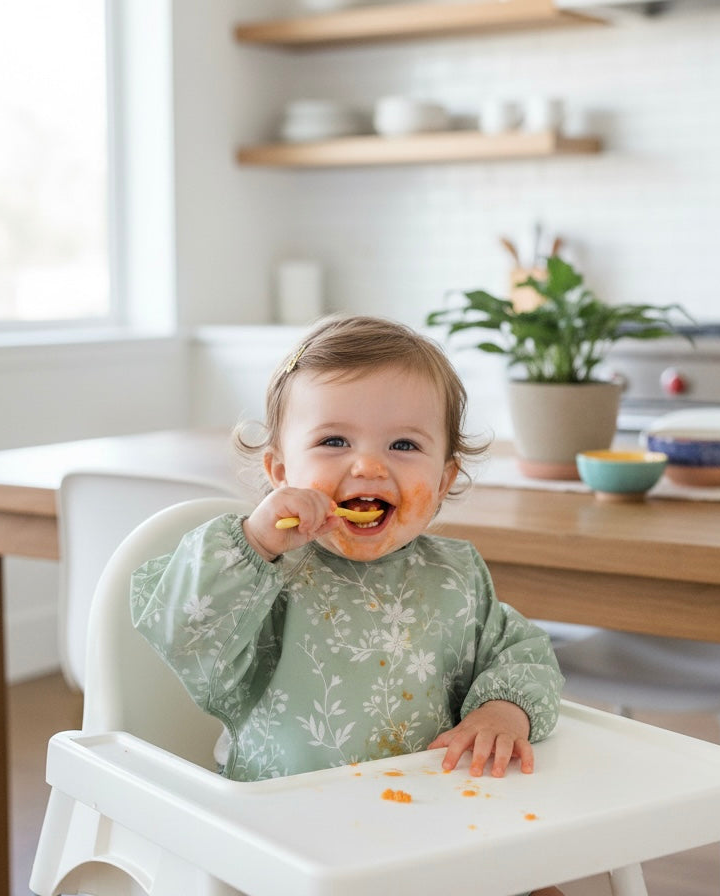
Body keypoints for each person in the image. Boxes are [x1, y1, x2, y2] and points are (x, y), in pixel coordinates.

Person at [131, 315, 565, 895]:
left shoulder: (455, 575)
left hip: (437, 830)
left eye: (404, 445)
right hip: (285, 842)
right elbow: (183, 629)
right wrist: (254, 544)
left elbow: (523, 651)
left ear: (443, 479)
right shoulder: (267, 573)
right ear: (281, 471)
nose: (368, 466)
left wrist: (503, 711)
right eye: (334, 441)